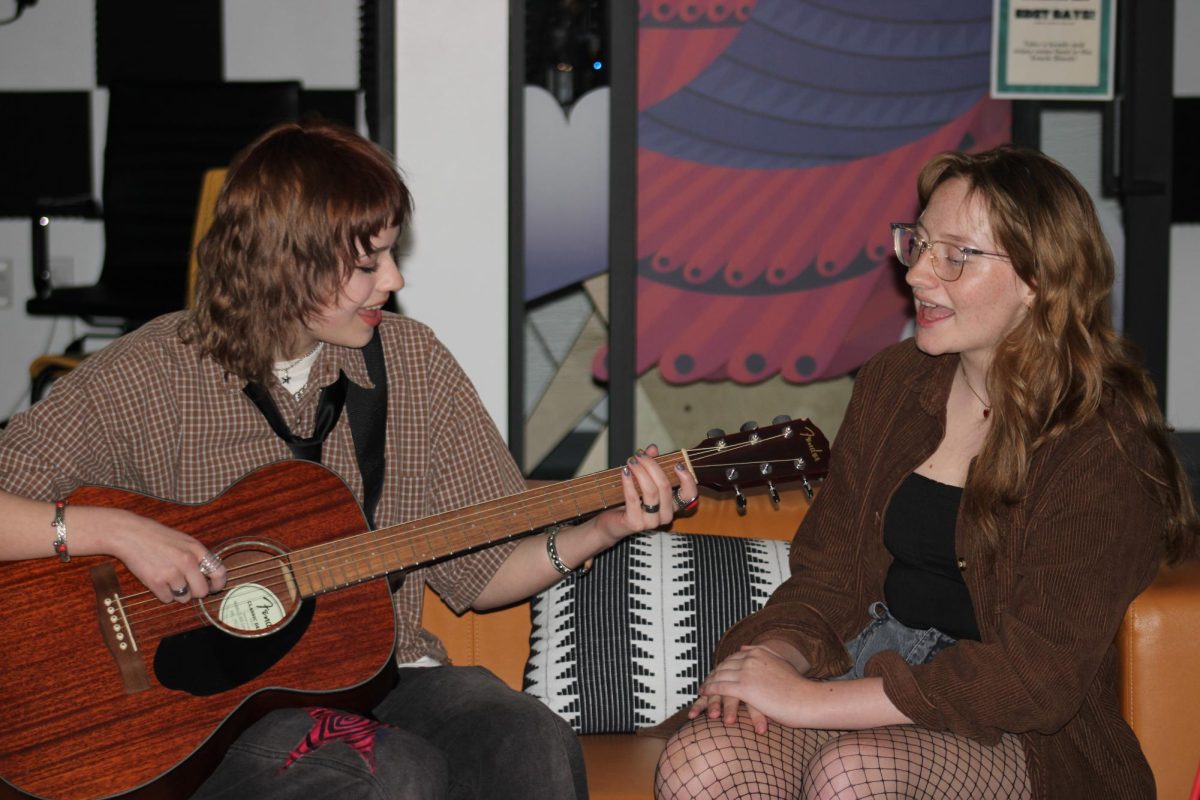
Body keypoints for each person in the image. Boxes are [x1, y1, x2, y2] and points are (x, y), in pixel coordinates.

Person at [0, 121, 698, 800]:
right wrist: (114, 531)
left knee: (525, 735)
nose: (394, 278)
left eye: (391, 254)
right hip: (210, 715)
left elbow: (479, 571)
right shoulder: (155, 371)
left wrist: (602, 529)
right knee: (391, 775)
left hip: (392, 678)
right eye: (367, 264)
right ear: (281, 267)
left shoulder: (415, 364)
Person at [654, 145, 1199, 800]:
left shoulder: (1099, 442)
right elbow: (830, 573)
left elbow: (1036, 680)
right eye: (917, 243)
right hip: (868, 671)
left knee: (854, 776)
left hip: (1021, 734)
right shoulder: (895, 381)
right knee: (702, 761)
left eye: (956, 254)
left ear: (1036, 281)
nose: (916, 274)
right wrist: (775, 656)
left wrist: (808, 703)